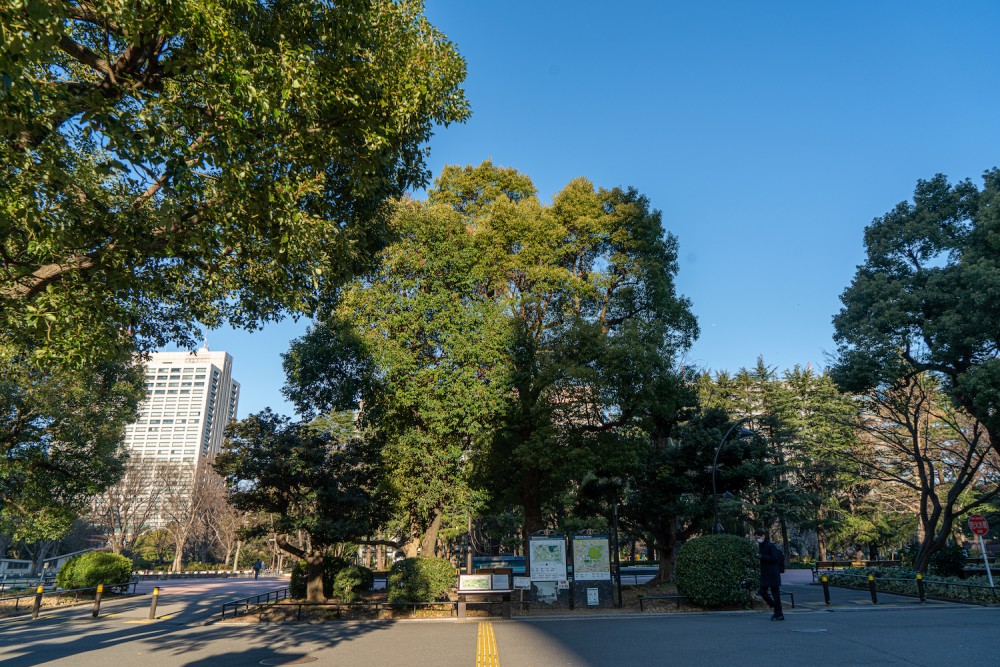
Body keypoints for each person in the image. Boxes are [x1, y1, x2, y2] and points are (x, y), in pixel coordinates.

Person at [754, 529, 784, 621]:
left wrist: (762, 557)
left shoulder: (770, 545)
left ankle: (778, 613)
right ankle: (775, 608)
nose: (757, 539)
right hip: (767, 574)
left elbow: (774, 558)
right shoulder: (762, 545)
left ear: (763, 536)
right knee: (762, 591)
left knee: (775, 594)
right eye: (756, 538)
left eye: (758, 537)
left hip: (773, 574)